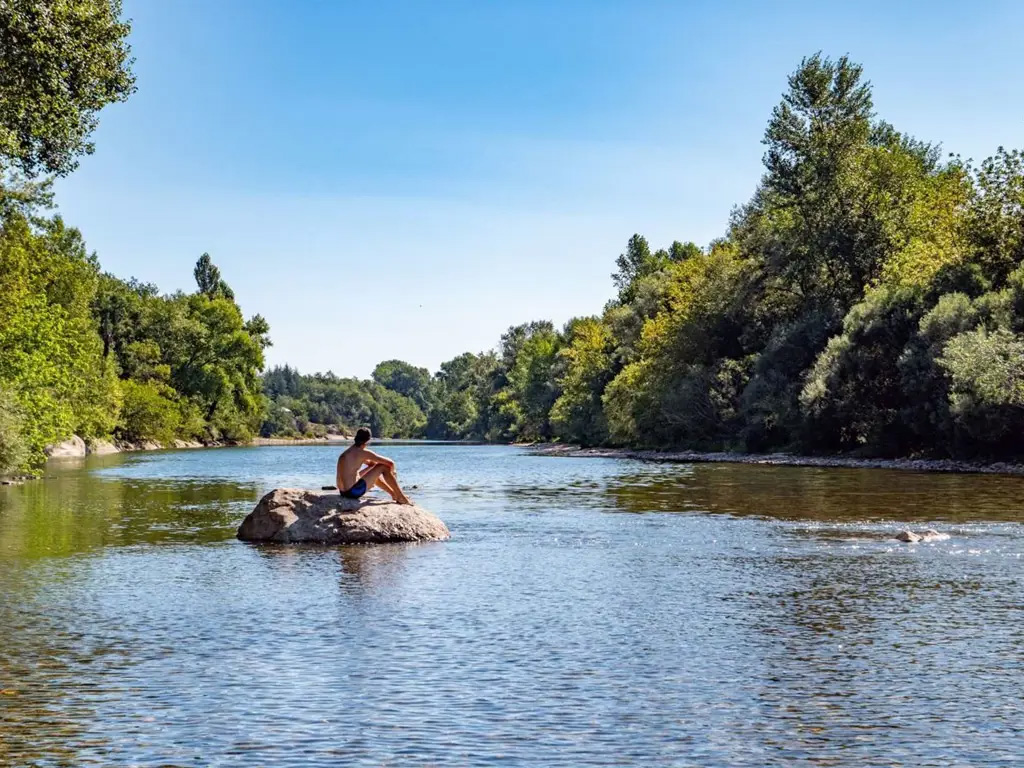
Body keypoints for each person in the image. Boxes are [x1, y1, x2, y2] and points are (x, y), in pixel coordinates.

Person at [336, 427, 412, 505]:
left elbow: (371, 464)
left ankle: (394, 494)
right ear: (368, 440)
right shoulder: (363, 452)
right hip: (353, 492)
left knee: (375, 471)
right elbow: (390, 463)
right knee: (383, 467)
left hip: (343, 492)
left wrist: (374, 468)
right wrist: (393, 473)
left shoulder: (348, 452)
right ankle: (401, 497)